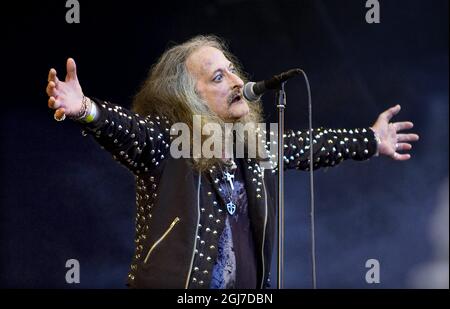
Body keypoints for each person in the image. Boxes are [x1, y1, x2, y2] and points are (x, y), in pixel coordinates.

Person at [45, 35, 419, 289]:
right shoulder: (171, 143)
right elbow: (130, 131)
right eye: (219, 77)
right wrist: (85, 110)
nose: (238, 81)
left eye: (233, 70)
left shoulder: (250, 147)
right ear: (188, 98)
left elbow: (308, 145)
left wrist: (371, 140)